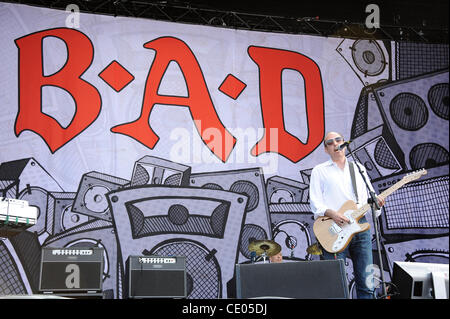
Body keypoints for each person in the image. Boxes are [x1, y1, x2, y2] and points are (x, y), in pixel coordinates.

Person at [309, 131, 385, 299]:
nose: (336, 144)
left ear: (344, 143)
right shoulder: (319, 171)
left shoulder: (358, 168)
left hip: (360, 226)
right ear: (325, 149)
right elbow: (315, 203)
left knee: (366, 282)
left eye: (338, 140)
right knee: (335, 283)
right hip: (334, 228)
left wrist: (377, 204)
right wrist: (333, 214)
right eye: (330, 142)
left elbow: (370, 197)